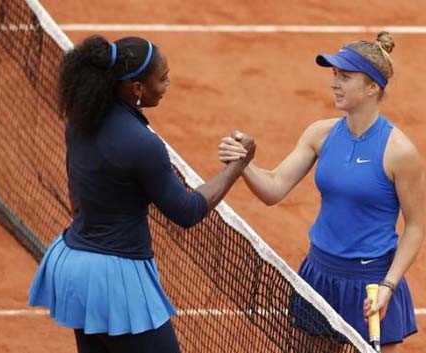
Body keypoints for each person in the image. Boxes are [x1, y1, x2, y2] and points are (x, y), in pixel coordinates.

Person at [28, 35, 255, 353]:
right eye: (161, 79)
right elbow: (186, 211)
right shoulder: (143, 144)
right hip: (114, 281)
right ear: (137, 88)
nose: (167, 84)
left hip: (74, 266)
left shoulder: (79, 122)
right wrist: (237, 166)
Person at [218, 32, 425, 352]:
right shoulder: (320, 134)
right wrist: (244, 165)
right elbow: (273, 188)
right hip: (319, 274)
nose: (335, 83)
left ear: (373, 87)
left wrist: (388, 286)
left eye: (345, 76)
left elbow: (414, 227)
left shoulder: (399, 152)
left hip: (371, 284)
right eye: (334, 75)